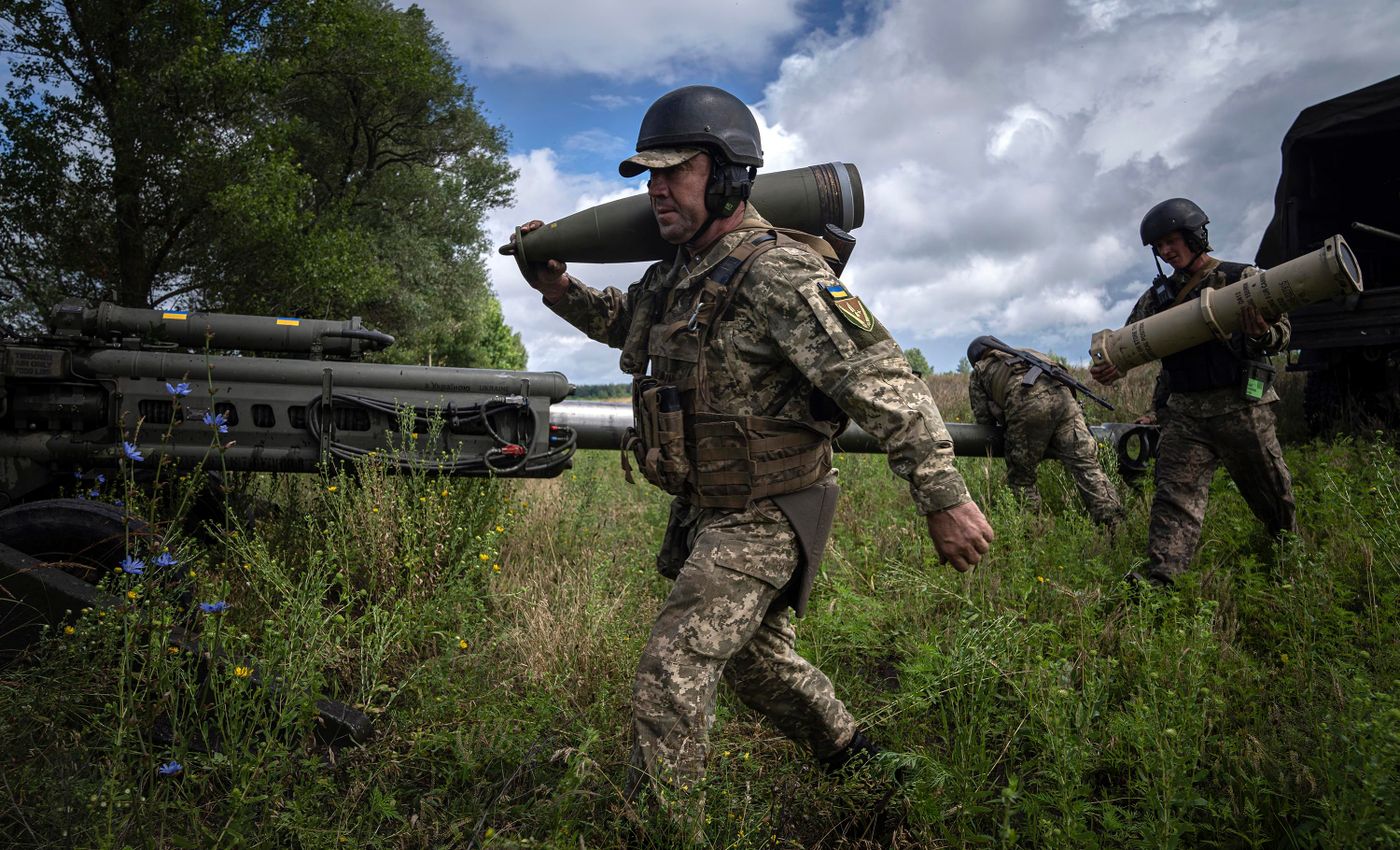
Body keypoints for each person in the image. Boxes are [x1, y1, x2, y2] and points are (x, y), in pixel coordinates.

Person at [501, 85, 994, 808]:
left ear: (730, 175)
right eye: (650, 176)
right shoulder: (676, 274)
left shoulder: (780, 272)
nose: (658, 190)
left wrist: (944, 499)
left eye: (676, 171)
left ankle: (668, 828)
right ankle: (862, 764)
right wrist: (557, 286)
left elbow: (885, 382)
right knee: (757, 664)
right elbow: (624, 321)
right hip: (709, 506)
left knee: (672, 666)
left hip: (770, 509)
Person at [1090, 197, 1296, 586]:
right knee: (1174, 497)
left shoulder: (1241, 278)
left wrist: (1263, 334)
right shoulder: (1156, 300)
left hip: (1242, 405)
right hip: (1184, 412)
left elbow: (1283, 332)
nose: (1167, 252)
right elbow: (1130, 343)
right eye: (1160, 247)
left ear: (1195, 236)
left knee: (1271, 490)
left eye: (1172, 241)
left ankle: (1288, 556)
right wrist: (1113, 365)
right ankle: (1161, 580)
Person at [966, 337, 1122, 526]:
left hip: (1028, 406)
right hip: (1066, 402)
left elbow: (984, 419)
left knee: (1022, 480)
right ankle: (1115, 524)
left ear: (975, 358)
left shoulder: (980, 369)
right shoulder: (1029, 352)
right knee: (1087, 467)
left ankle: (1031, 532)